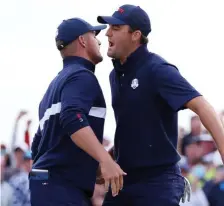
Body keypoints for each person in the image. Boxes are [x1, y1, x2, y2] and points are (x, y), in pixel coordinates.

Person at [97, 4, 224, 205]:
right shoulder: (115, 75)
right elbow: (133, 126)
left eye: (116, 28)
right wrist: (109, 157)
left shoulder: (157, 70)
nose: (107, 34)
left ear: (135, 35)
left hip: (158, 183)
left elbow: (203, 106)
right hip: (125, 182)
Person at [30, 18, 126, 206]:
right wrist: (105, 160)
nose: (99, 41)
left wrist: (88, 167)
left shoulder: (52, 88)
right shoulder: (82, 76)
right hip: (62, 190)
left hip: (46, 187)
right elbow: (72, 117)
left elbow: (38, 146)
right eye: (94, 35)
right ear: (82, 40)